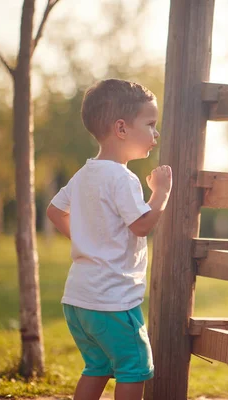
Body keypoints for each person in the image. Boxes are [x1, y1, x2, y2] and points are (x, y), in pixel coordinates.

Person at [46, 79, 172, 400]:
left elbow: (54, 211)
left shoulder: (85, 173)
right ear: (121, 128)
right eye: (150, 124)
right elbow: (142, 225)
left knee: (97, 366)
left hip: (78, 301)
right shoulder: (122, 177)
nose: (155, 134)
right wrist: (161, 192)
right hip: (112, 302)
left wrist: (86, 242)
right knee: (134, 367)